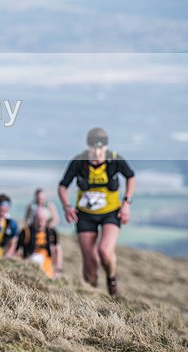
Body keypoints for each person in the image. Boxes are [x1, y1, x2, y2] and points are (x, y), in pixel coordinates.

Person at [58, 127, 136, 296]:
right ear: (88, 147)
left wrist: (126, 203)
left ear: (106, 148)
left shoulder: (114, 160)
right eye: (93, 148)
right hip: (85, 215)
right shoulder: (79, 162)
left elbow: (131, 176)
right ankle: (91, 296)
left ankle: (111, 278)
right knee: (90, 263)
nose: (97, 152)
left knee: (104, 251)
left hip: (111, 213)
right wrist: (67, 207)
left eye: (100, 148)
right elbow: (62, 186)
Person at [17, 207, 62, 278]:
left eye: (42, 219)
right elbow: (16, 250)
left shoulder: (51, 232)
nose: (40, 222)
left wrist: (58, 269)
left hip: (47, 265)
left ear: (46, 221)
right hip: (29, 263)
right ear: (34, 219)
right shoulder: (26, 232)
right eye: (38, 219)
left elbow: (57, 250)